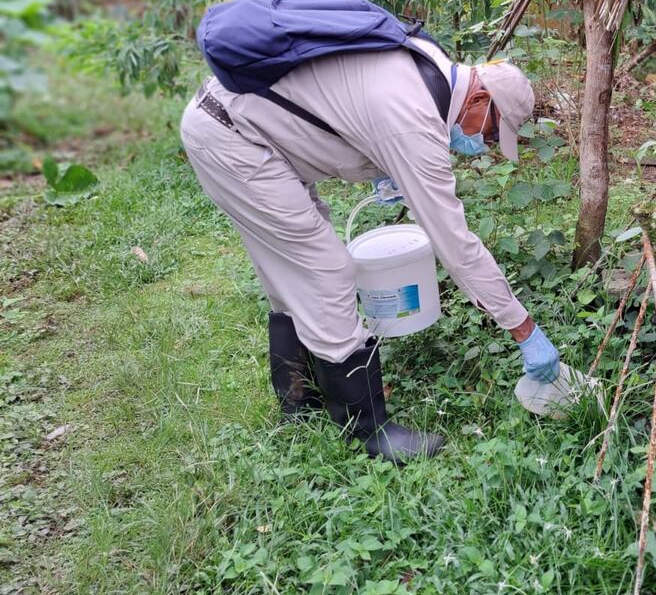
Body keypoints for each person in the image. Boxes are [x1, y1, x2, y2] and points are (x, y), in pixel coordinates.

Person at [179, 32, 561, 464]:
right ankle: (367, 428)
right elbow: (457, 246)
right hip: (234, 136)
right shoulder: (413, 118)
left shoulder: (429, 62)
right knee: (327, 269)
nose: (483, 145)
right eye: (491, 131)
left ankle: (298, 400)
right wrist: (524, 329)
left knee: (290, 262)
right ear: (477, 99)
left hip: (233, 120)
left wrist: (382, 164)